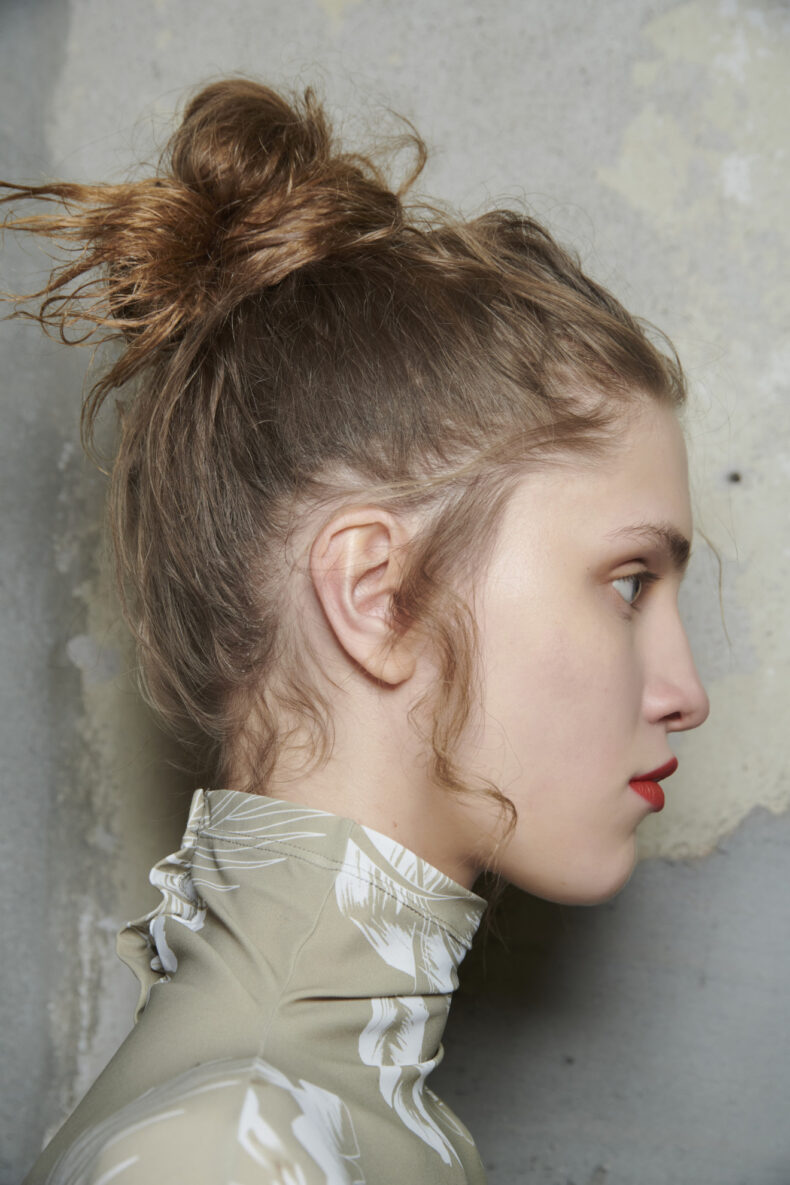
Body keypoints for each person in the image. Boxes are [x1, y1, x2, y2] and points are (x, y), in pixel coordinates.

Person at [4, 78, 709, 1185]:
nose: (684, 692)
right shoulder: (227, 1155)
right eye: (628, 584)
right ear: (379, 595)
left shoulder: (307, 1121)